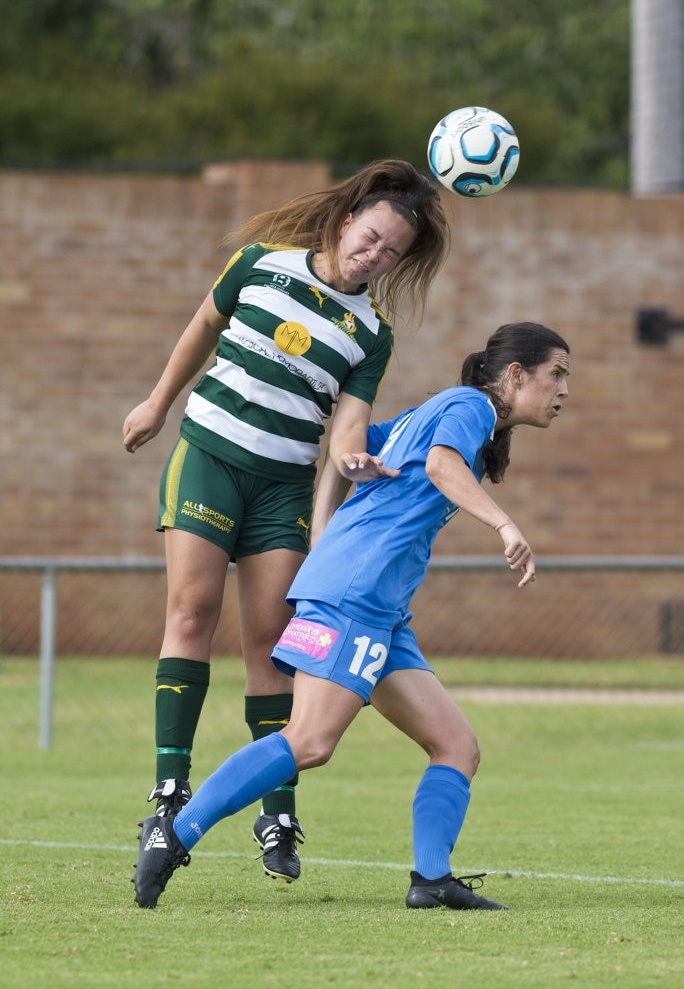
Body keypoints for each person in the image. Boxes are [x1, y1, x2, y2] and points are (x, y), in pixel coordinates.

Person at [132, 321, 571, 910]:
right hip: (356, 595)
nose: (565, 390)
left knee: (455, 745)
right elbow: (442, 466)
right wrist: (504, 523)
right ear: (516, 375)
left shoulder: (442, 409)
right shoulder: (469, 406)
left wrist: (322, 532)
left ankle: (431, 880)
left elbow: (345, 455)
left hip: (380, 606)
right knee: (310, 740)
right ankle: (174, 833)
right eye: (557, 374)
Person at [122, 159, 450, 882]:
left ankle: (278, 813)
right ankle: (169, 794)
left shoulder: (371, 332)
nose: (377, 256)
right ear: (345, 223)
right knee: (191, 612)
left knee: (275, 645)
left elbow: (348, 423)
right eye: (371, 238)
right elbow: (202, 326)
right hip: (209, 456)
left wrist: (356, 458)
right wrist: (156, 404)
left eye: (392, 252)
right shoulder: (260, 266)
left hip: (281, 490)